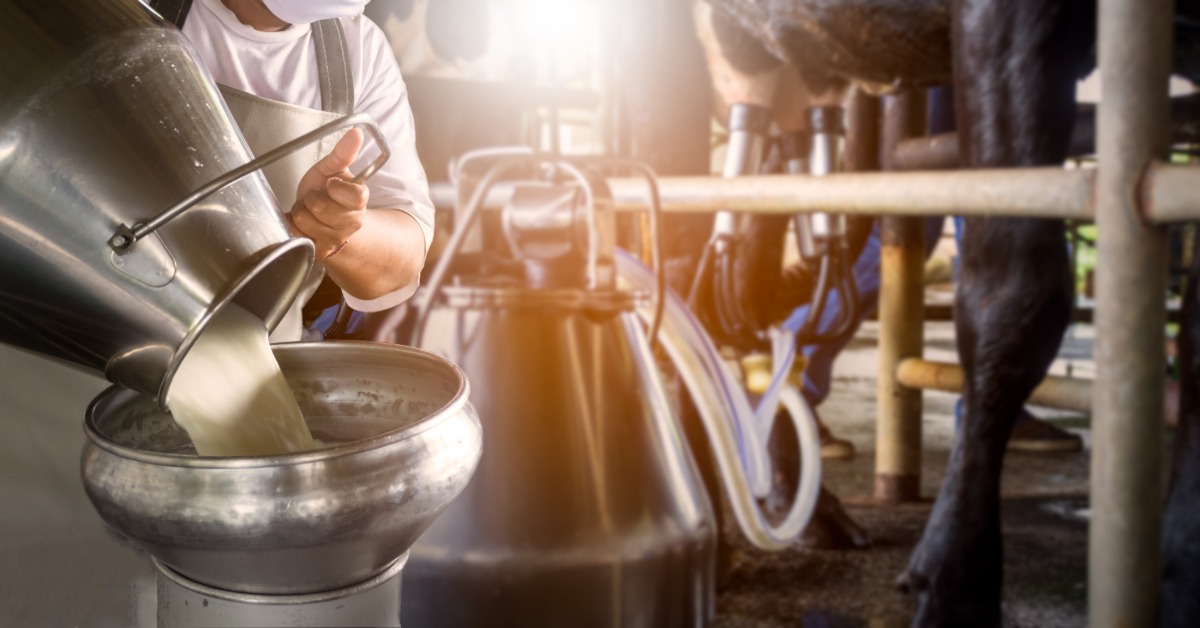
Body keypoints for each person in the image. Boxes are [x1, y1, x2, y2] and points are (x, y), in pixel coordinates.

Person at [165, 0, 434, 340]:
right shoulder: (116, 11)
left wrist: (339, 230)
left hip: (259, 363)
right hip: (95, 360)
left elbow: (402, 262)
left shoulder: (358, 50)